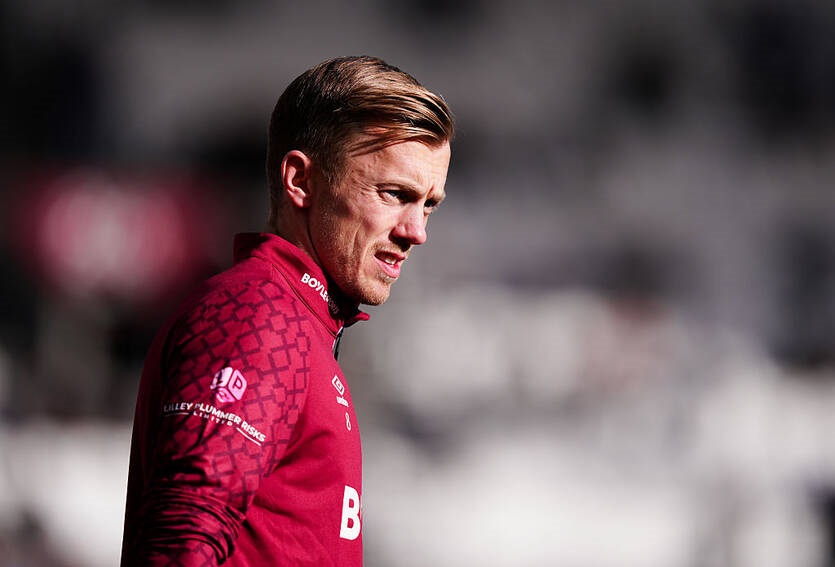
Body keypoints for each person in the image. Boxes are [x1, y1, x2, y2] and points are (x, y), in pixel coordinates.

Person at [120, 55, 454, 566]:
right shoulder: (260, 316)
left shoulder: (298, 323)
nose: (417, 231)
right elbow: (182, 537)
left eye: (428, 204)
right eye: (394, 194)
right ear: (300, 181)